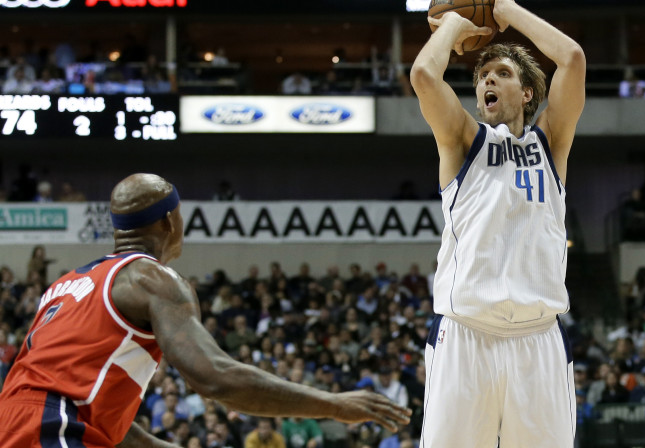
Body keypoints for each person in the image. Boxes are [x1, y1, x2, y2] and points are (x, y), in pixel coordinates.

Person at [0, 174, 410, 447]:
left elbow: (100, 420)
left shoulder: (63, 286)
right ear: (169, 222)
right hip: (51, 428)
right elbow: (215, 377)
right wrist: (334, 404)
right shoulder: (154, 280)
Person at [410, 0, 585, 445]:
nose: (488, 79)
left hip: (539, 339)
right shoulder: (462, 139)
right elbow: (424, 76)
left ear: (528, 93)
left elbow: (573, 58)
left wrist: (505, 9)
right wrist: (452, 22)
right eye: (483, 76)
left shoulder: (551, 142)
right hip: (466, 335)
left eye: (502, 73)